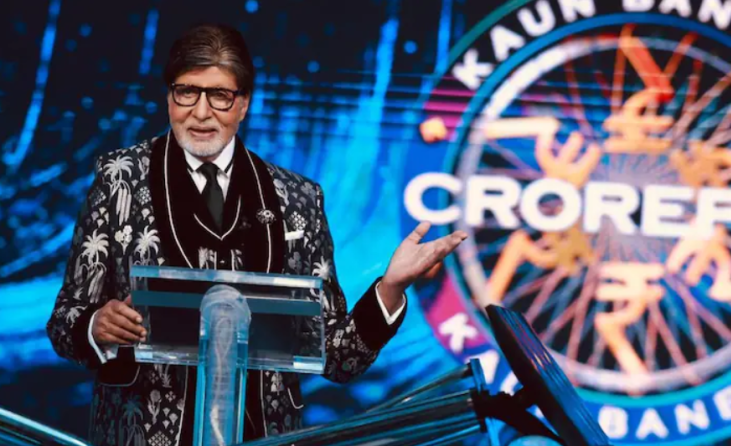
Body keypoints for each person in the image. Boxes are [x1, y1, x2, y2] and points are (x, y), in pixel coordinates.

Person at [46, 23, 467, 446]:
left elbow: (339, 357)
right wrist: (96, 325)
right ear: (169, 96)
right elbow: (65, 320)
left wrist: (390, 289)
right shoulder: (120, 179)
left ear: (244, 103)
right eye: (187, 92)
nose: (201, 112)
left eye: (220, 95)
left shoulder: (297, 199)